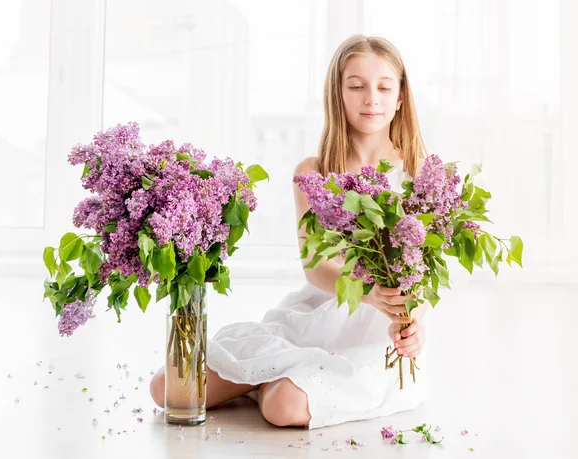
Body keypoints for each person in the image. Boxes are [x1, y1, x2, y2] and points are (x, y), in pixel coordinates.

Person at [150, 34, 431, 430]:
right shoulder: (312, 172)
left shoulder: (421, 174)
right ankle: (272, 373)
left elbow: (423, 274)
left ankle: (272, 382)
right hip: (316, 315)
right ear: (338, 94)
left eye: (384, 87)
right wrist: (367, 292)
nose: (372, 98)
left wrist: (413, 322)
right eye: (356, 86)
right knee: (169, 390)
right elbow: (316, 268)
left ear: (401, 96)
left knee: (283, 408)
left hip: (372, 334)